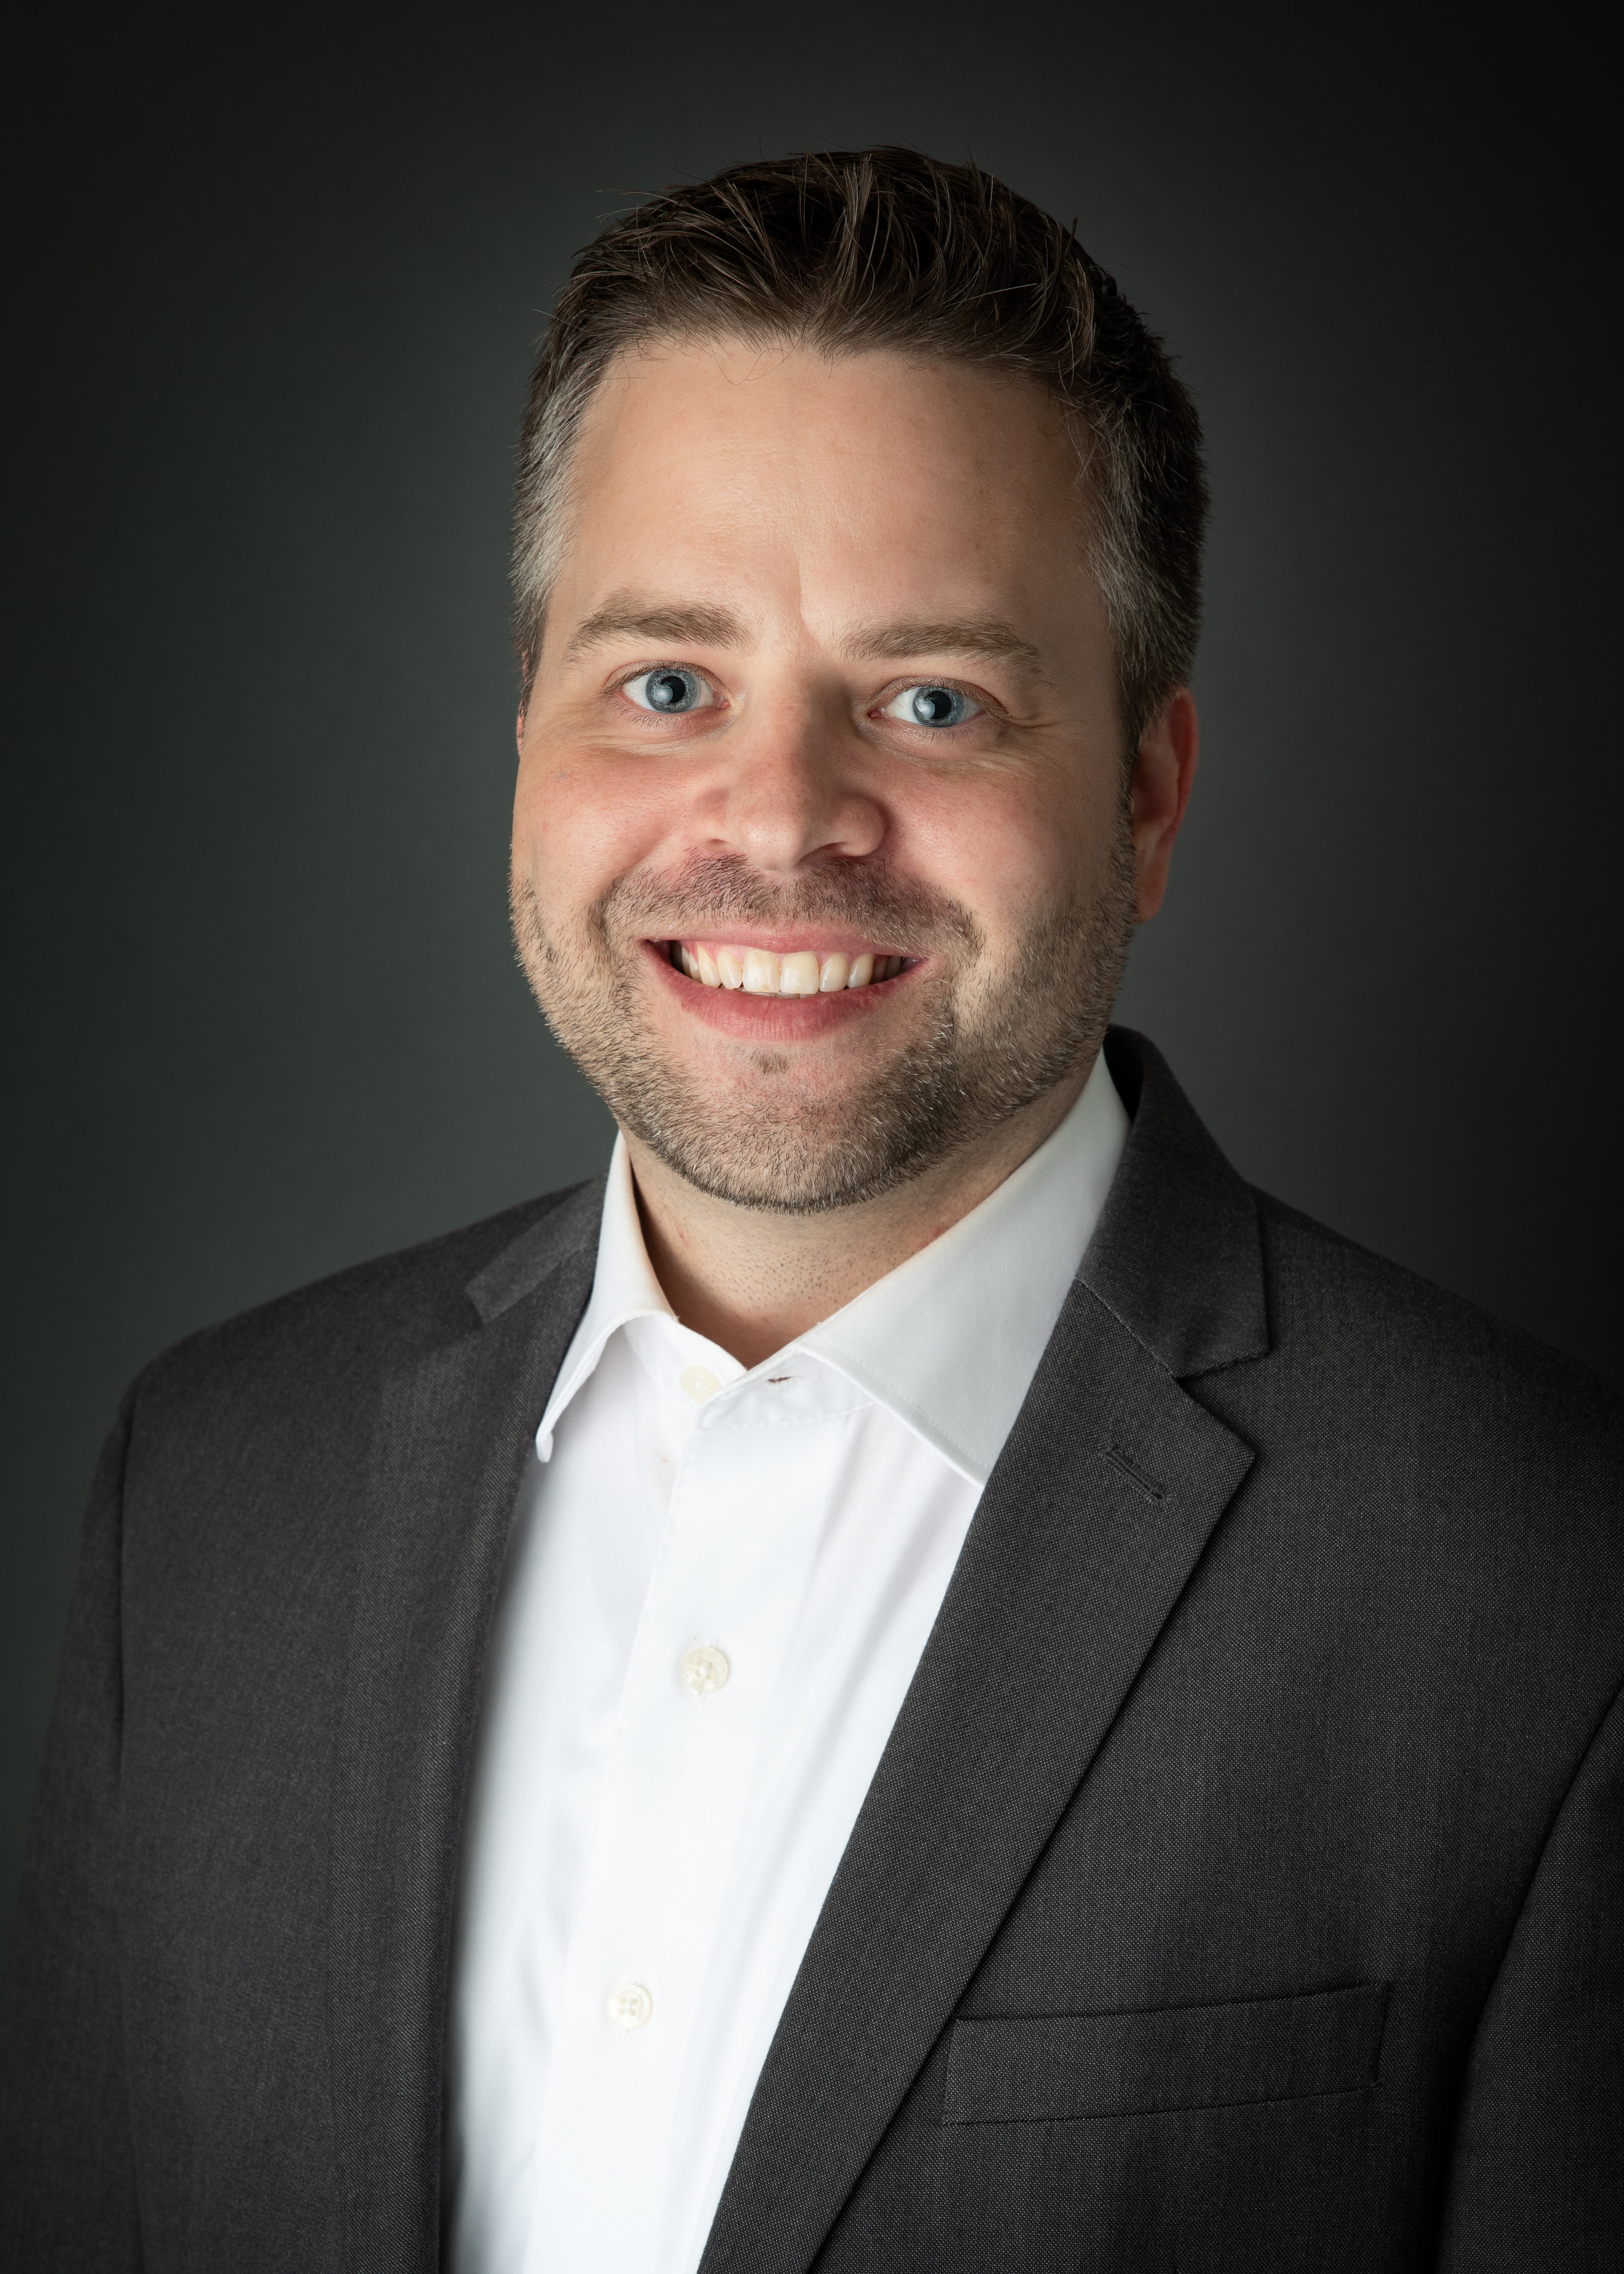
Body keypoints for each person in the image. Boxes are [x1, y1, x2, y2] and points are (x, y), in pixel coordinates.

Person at [2, 147, 1619, 2274]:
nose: (776, 818)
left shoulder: (1542, 1587)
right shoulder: (206, 1486)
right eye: (665, 684)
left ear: (1146, 789)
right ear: (526, 743)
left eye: (930, 699)